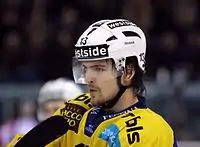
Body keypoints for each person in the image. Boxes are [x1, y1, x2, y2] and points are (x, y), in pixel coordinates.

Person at [8, 19, 178, 147]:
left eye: (98, 68)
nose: (88, 77)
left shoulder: (148, 132)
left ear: (128, 72)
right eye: (85, 68)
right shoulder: (76, 108)